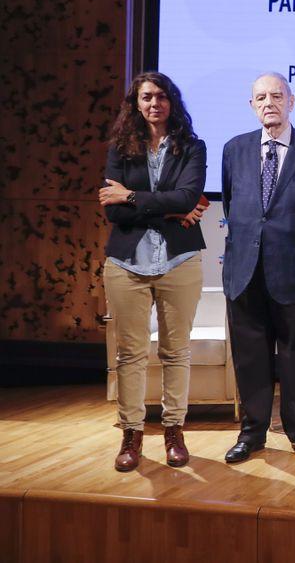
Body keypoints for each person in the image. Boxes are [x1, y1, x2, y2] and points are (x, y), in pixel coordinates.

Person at [221, 72, 295, 463]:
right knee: (249, 357)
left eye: (276, 96)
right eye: (260, 97)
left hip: (294, 274)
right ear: (251, 105)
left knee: (294, 357)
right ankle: (252, 433)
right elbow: (234, 206)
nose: (268, 103)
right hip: (244, 272)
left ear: (291, 101)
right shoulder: (234, 149)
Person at [100, 72, 208, 471]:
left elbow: (187, 196)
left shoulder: (192, 147)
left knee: (175, 351)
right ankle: (131, 435)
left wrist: (131, 196)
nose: (154, 104)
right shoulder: (120, 149)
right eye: (146, 97)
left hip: (179, 261)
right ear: (136, 103)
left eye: (161, 97)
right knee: (130, 354)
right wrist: (170, 206)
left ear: (172, 102)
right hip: (126, 263)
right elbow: (111, 211)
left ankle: (174, 431)